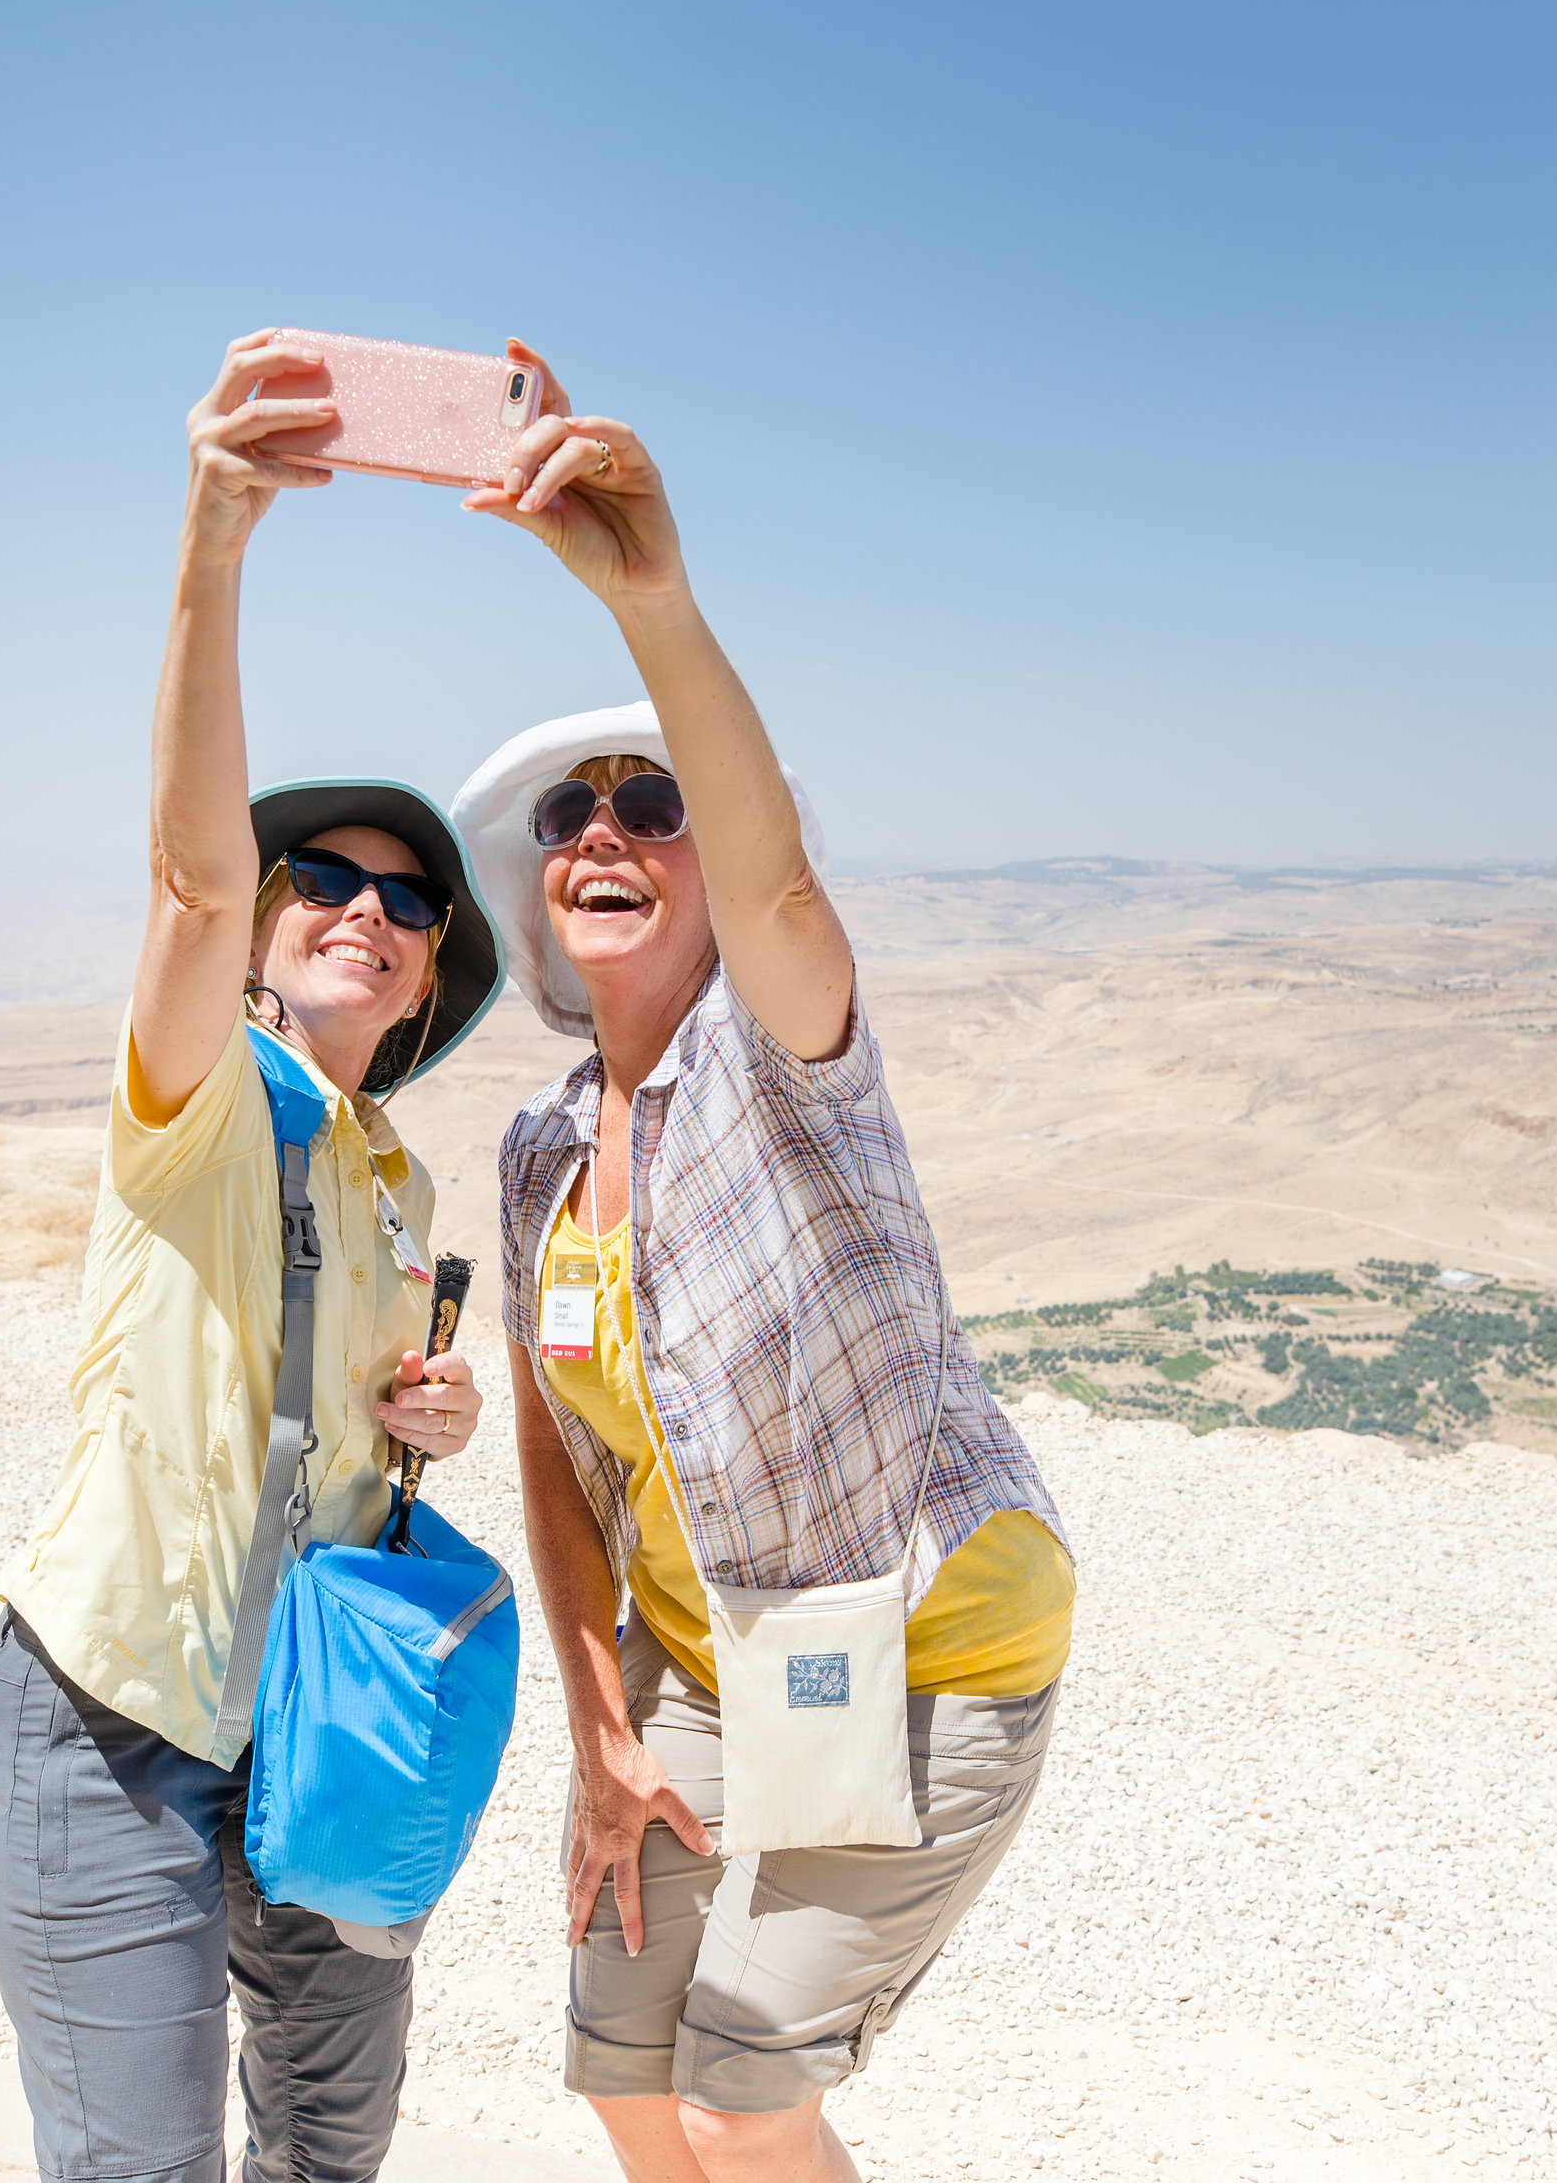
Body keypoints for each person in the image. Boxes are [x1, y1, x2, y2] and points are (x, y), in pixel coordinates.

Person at [452, 358, 1074, 2183]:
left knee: (746, 2083)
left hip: (935, 1644)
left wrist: (652, 602)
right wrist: (596, 1734)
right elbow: (561, 1468)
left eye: (652, 809)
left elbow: (789, 895)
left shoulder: (786, 1058)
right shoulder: (542, 1153)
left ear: (711, 862)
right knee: (622, 2064)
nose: (605, 839)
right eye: (569, 822)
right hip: (717, 1670)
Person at [0, 330, 506, 2183]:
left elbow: (315, 1415)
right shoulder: (202, 1095)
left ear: (430, 977)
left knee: (332, 2144)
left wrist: (417, 1418)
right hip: (121, 1711)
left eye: (410, 902)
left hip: (325, 1723)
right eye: (328, 886)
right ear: (270, 943)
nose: (367, 907)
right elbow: (190, 879)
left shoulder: (395, 1180)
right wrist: (216, 544)